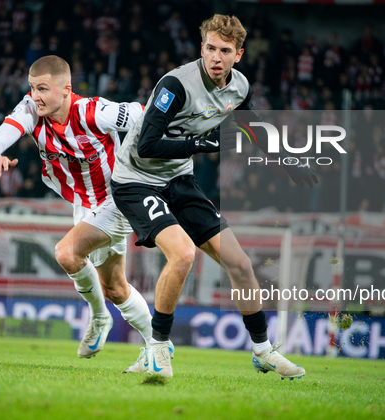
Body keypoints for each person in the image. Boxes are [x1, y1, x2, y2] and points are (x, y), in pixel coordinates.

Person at [111, 15, 317, 378]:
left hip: (177, 179)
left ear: (238, 54)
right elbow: (147, 144)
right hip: (136, 179)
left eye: (224, 50)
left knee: (241, 264)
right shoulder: (176, 85)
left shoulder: (239, 86)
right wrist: (202, 144)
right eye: (210, 48)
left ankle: (263, 351)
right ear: (201, 47)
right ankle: (157, 348)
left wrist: (288, 161)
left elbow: (253, 127)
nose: (216, 57)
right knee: (183, 254)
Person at [0, 55, 172, 371]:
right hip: (83, 205)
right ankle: (158, 345)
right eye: (32, 88)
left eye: (42, 88)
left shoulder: (95, 112)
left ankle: (98, 318)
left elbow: (146, 114)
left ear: (66, 89)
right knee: (114, 287)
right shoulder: (30, 110)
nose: (35, 96)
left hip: (118, 199)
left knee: (66, 253)